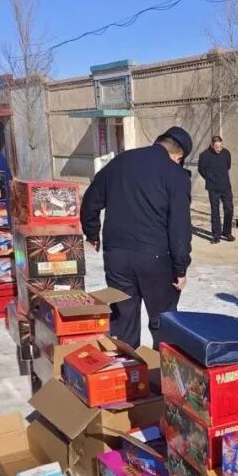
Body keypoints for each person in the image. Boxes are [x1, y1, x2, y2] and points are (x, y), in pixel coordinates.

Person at [81, 127, 194, 349]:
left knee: (123, 320)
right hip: (156, 260)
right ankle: (162, 367)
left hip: (117, 256)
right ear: (178, 156)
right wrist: (180, 268)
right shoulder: (175, 175)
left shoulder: (120, 162)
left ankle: (128, 368)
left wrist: (92, 232)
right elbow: (179, 227)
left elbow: (90, 201)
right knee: (163, 322)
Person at [198, 135, 235, 244]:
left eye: (220, 147)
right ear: (211, 145)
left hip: (226, 187)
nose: (219, 149)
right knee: (215, 212)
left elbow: (228, 166)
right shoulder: (204, 155)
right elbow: (201, 169)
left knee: (229, 209)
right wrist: (210, 178)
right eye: (217, 147)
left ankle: (227, 232)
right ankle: (216, 236)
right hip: (213, 188)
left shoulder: (226, 153)